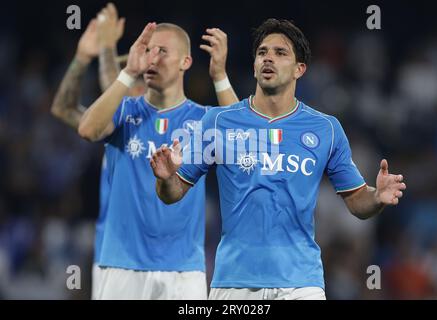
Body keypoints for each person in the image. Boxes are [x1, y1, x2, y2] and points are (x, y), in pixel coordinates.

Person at [150, 18, 407, 300]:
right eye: (262, 52)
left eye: (280, 53)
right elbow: (173, 193)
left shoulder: (325, 129)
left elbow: (357, 201)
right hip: (235, 282)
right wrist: (165, 179)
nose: (268, 57)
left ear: (300, 69)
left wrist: (377, 198)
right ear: (255, 65)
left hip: (301, 282)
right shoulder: (218, 121)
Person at [77, 19, 239, 299]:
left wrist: (219, 76)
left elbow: (242, 144)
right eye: (148, 50)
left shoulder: (201, 118)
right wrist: (127, 73)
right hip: (121, 265)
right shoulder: (124, 110)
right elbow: (87, 129)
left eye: (162, 51)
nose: (152, 57)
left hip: (183, 270)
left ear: (185, 62)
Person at [51, 3, 138, 299]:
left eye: (135, 75)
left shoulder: (177, 124)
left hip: (164, 262)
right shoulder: (114, 127)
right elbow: (63, 108)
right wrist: (82, 57)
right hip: (111, 256)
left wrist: (106, 50)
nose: (127, 81)